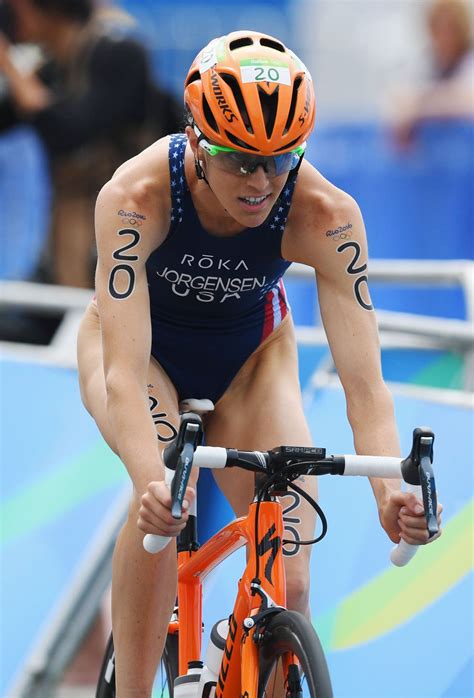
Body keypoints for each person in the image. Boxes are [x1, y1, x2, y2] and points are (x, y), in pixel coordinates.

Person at [77, 30, 443, 697]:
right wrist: (150, 480)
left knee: (291, 580)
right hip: (140, 355)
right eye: (239, 159)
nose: (261, 181)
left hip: (251, 363)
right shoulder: (135, 198)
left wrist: (390, 495)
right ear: (194, 139)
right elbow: (122, 377)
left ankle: (244, 652)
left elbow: (365, 386)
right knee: (163, 493)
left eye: (281, 160)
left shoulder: (327, 214)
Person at [0, 0, 181, 288]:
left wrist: (9, 63)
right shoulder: (55, 67)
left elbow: (70, 132)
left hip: (131, 250)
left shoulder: (119, 52)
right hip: (69, 249)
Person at [390, 0, 474, 148]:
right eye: (438, 28)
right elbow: (400, 98)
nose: (444, 36)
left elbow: (468, 99)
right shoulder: (427, 63)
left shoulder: (469, 60)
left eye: (450, 28)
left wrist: (422, 105)